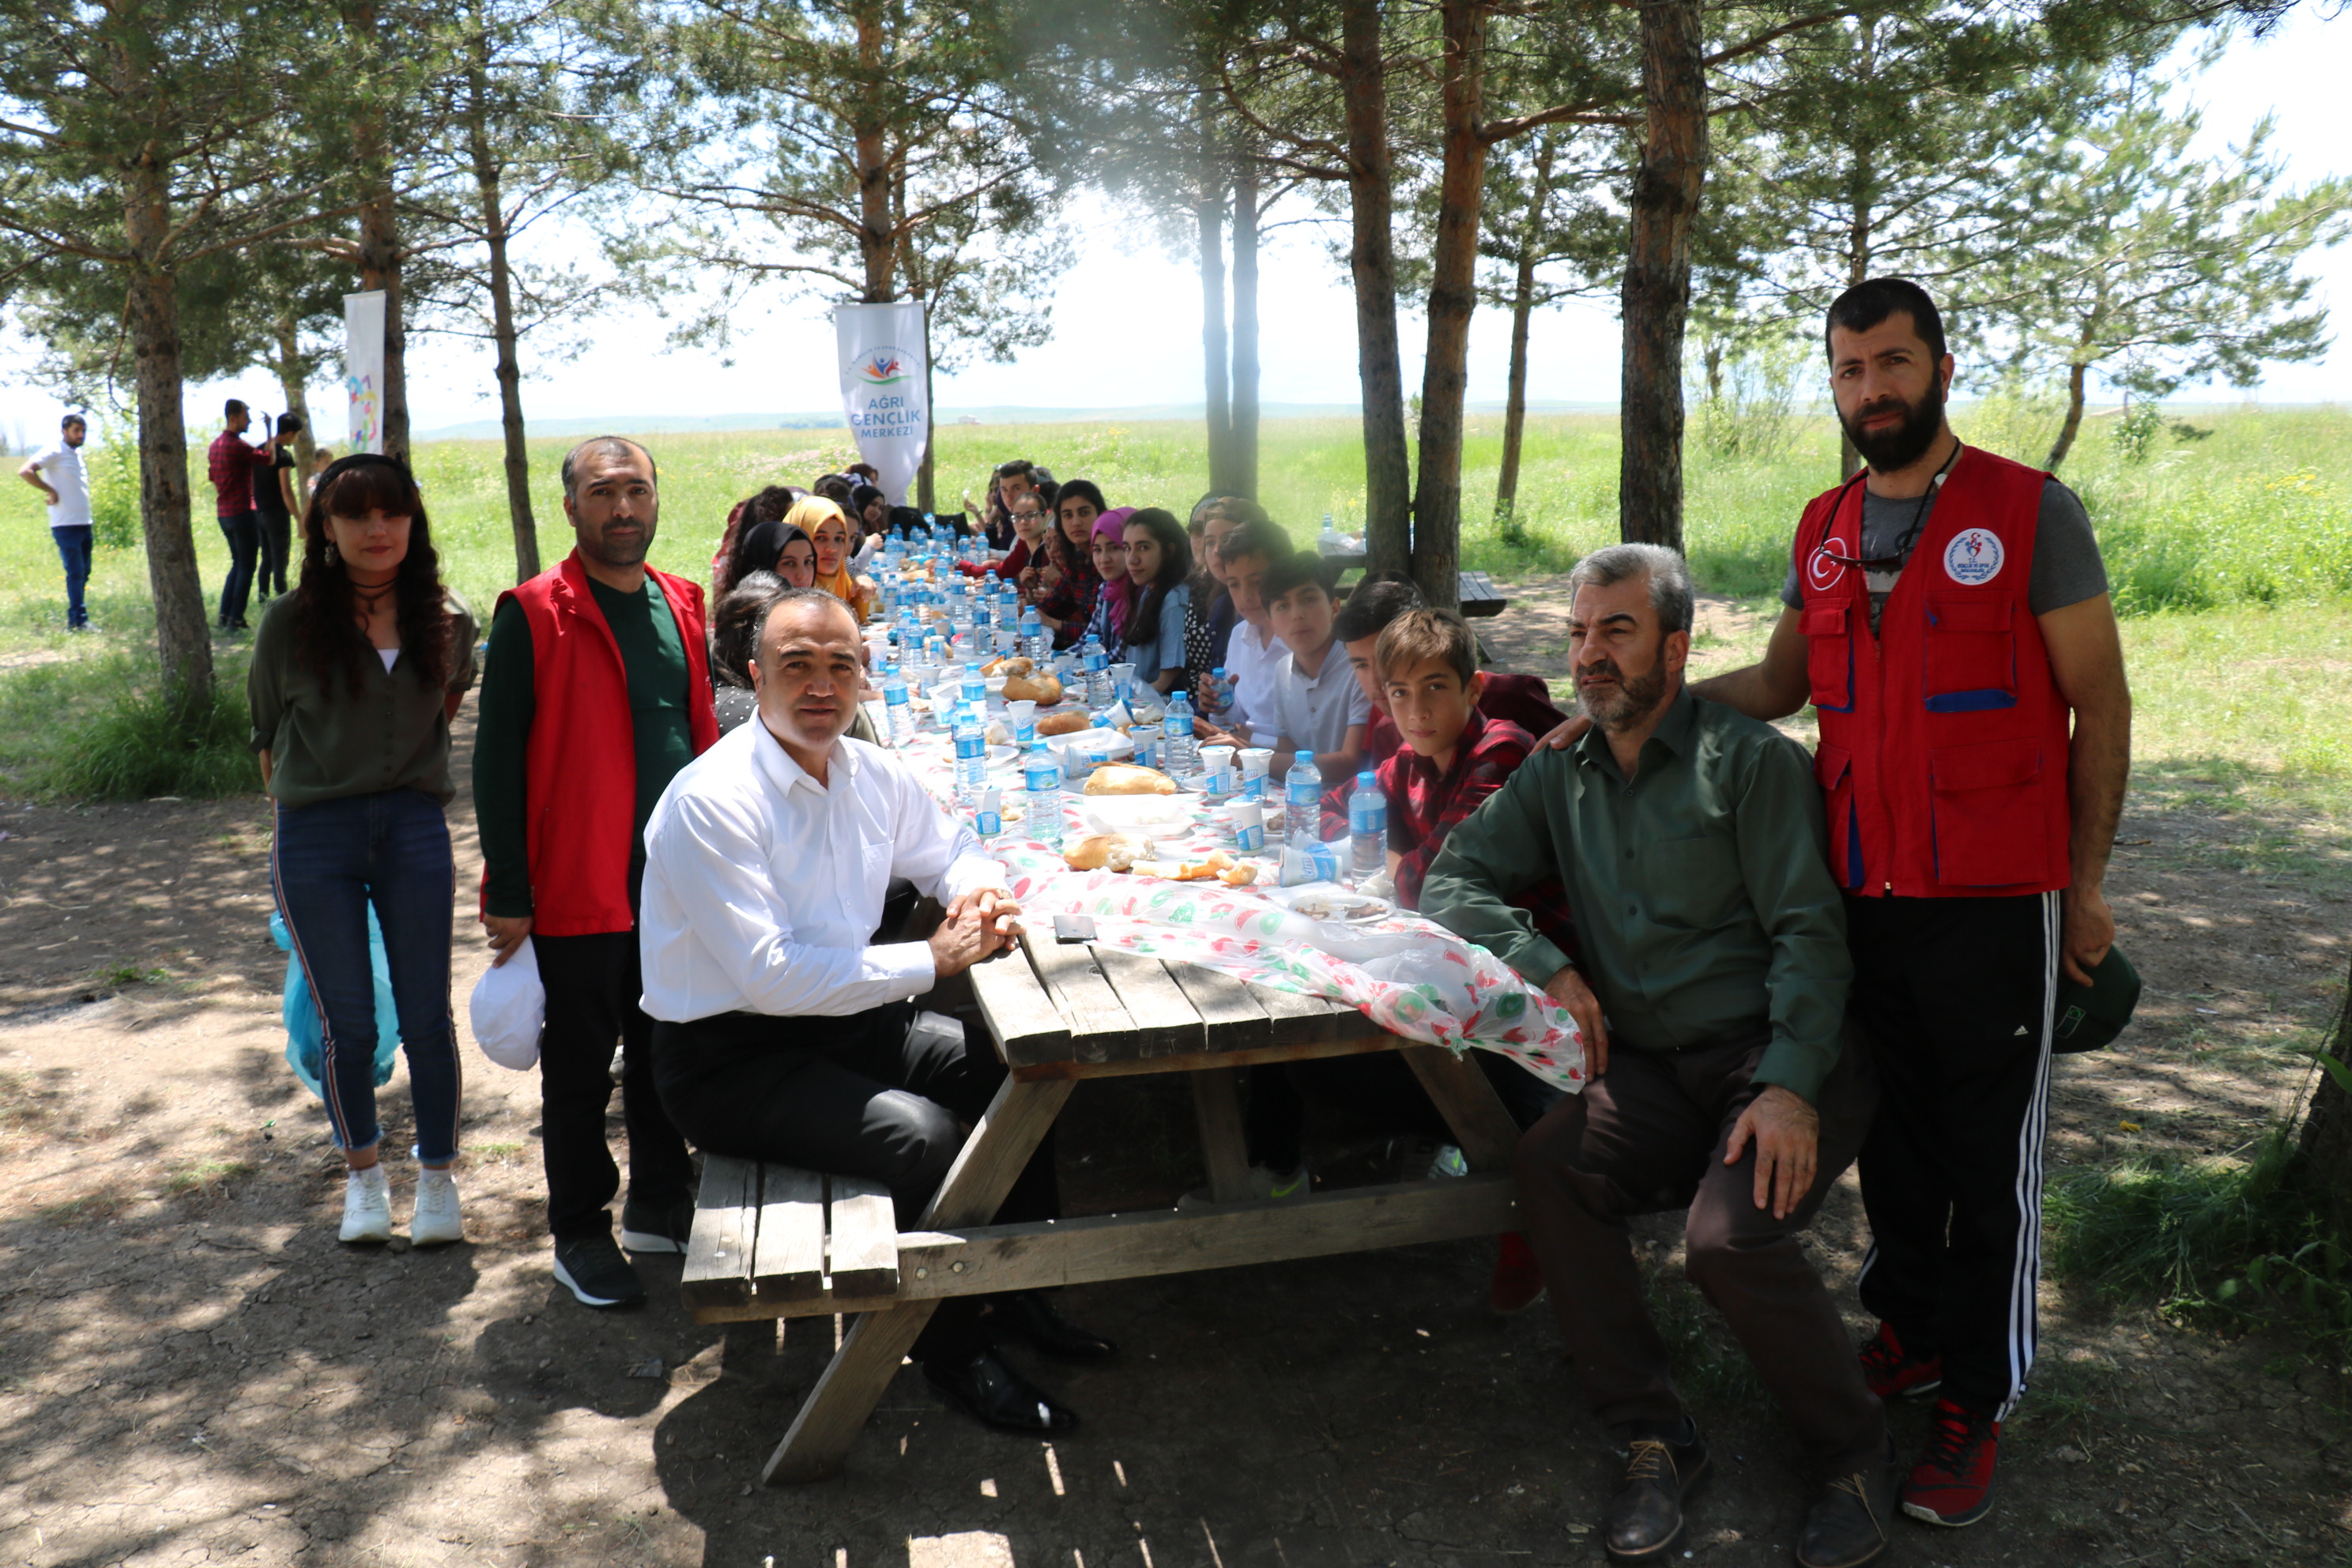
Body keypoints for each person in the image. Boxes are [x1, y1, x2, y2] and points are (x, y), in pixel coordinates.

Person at [1657, 277, 2130, 1530]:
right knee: (1903, 1151)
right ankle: (1911, 1334)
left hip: (1995, 901)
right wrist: (1653, 706)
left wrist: (2085, 889)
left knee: (1989, 1159)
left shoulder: (2029, 513)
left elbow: (2103, 703)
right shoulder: (1822, 526)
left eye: (1895, 362)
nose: (1874, 388)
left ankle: (1979, 1390)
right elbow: (1779, 679)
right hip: (1862, 894)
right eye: (1852, 367)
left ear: (1940, 366)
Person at [1423, 544, 1893, 1568]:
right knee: (1553, 1163)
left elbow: (1813, 938)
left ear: (1677, 648)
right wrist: (1550, 968)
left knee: (1727, 1243)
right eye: (1581, 631)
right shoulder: (1564, 768)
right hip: (1651, 1066)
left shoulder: (1752, 764)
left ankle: (1852, 1453)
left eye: (1617, 631)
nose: (1589, 655)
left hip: (1779, 1053)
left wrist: (1787, 1090)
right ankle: (1653, 1434)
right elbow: (1454, 879)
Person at [641, 585, 1115, 1434]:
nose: (821, 686)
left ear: (865, 675)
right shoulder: (711, 799)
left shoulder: (872, 774)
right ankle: (952, 1347)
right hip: (731, 1059)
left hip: (847, 1024)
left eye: (841, 666)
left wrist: (981, 897)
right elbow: (773, 978)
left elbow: (953, 852)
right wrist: (932, 956)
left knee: (1017, 1070)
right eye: (797, 667)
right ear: (756, 676)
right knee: (924, 1138)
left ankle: (1019, 1288)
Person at [473, 435, 713, 1310]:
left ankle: (659, 1200)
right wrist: (508, 889)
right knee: (578, 1069)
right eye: (603, 493)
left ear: (657, 500)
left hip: (671, 885)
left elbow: (698, 738)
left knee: (664, 1049)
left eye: (637, 491)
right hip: (577, 884)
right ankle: (579, 1230)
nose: (622, 509)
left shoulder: (680, 601)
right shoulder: (534, 612)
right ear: (570, 506)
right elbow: (496, 760)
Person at [248, 454, 477, 1247]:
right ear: (326, 529)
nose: (377, 529)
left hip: (413, 826)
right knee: (347, 1020)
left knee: (426, 1017)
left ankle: (440, 1180)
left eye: (393, 513)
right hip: (316, 835)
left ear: (414, 522)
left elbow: (441, 708)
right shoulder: (289, 621)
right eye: (356, 515)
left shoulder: (448, 620)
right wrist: (307, 811)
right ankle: (366, 1180)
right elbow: (267, 736)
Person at [1257, 552, 1367, 782]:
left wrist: (1251, 757)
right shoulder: (1282, 671)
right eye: (1282, 606)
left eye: (1309, 599)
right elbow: (1287, 753)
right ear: (1272, 625)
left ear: (1335, 608)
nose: (1297, 615)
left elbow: (1350, 763)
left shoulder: (1359, 667)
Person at [1192, 518, 1290, 749]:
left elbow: (1312, 746)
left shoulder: (1300, 644)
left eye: (1256, 582)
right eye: (1234, 584)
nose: (1245, 596)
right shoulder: (1239, 636)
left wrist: (1245, 740)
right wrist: (1218, 703)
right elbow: (1236, 719)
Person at [207, 400, 277, 632]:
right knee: (247, 566)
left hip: (224, 514)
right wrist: (269, 429)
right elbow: (269, 458)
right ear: (234, 417)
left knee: (237, 564)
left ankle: (225, 615)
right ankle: (235, 619)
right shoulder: (238, 446)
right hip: (243, 512)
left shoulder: (215, 445)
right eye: (246, 416)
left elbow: (212, 476)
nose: (248, 421)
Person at [18, 413, 92, 631]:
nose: (80, 435)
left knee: (84, 571)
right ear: (64, 431)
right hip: (65, 524)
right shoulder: (55, 450)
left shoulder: (77, 454)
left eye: (83, 431)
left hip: (84, 522)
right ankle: (78, 620)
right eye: (76, 430)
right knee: (76, 571)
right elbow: (25, 471)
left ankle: (78, 616)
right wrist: (50, 490)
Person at [1114, 507, 1191, 692]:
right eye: (1127, 548)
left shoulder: (1174, 600)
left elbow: (1165, 683)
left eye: (1143, 547)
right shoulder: (1149, 591)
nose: (1132, 559)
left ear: (1169, 551)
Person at [1035, 480, 1107, 646]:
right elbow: (1053, 603)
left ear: (1100, 514)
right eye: (1068, 515)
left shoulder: (1111, 562)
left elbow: (1104, 634)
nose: (1076, 522)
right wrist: (1031, 612)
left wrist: (1056, 625)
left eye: (1084, 513)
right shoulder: (1078, 559)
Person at [798, 497, 875, 622]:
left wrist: (861, 588)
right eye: (821, 538)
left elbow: (859, 618)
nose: (832, 549)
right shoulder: (792, 584)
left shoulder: (840, 576)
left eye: (839, 539)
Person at [254, 414, 303, 603]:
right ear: (290, 433)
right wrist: (298, 516)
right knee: (280, 559)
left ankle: (262, 596)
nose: (296, 438)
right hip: (277, 514)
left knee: (266, 557)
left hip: (260, 511)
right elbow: (286, 490)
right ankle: (282, 599)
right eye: (297, 434)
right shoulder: (283, 456)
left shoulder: (259, 451)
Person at [1079, 508, 1135, 652]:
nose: (1104, 559)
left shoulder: (1141, 591)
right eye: (1097, 550)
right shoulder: (1107, 589)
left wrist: (1087, 667)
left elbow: (1123, 655)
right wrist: (1060, 658)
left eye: (1114, 548)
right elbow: (1090, 638)